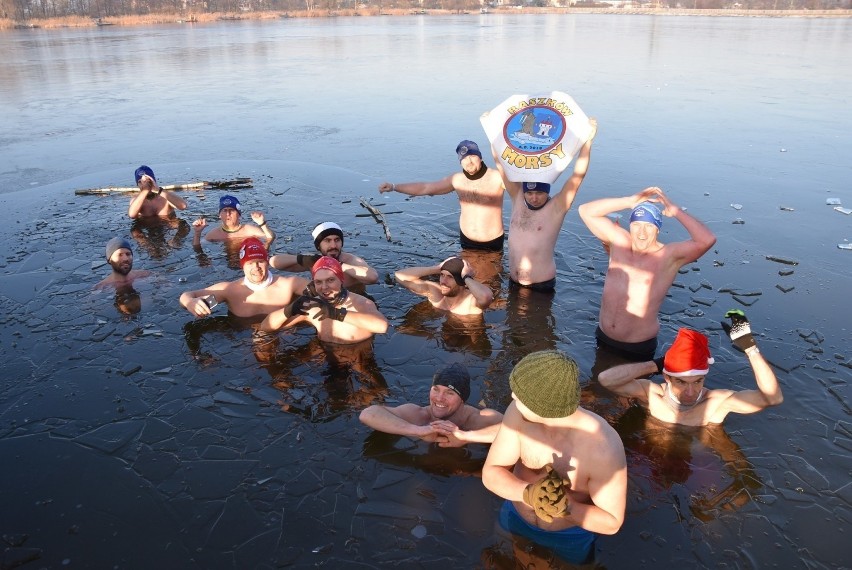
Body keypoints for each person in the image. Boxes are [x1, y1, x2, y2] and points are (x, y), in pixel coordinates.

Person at [482, 350, 627, 564]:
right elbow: (491, 472)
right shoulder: (519, 413)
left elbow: (611, 522)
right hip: (515, 517)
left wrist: (565, 507)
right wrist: (528, 494)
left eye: (520, 396)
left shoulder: (603, 448)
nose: (513, 397)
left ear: (543, 408)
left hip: (568, 537)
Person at [578, 186, 716, 361]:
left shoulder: (668, 256)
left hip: (637, 348)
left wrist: (675, 211)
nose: (641, 233)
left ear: (657, 229)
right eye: (637, 225)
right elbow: (585, 211)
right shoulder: (618, 242)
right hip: (603, 337)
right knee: (596, 383)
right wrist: (629, 201)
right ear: (630, 226)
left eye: (648, 227)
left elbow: (707, 240)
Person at [597, 311, 784, 426]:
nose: (690, 392)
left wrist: (750, 348)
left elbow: (773, 398)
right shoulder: (651, 394)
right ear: (667, 378)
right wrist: (656, 364)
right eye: (681, 382)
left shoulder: (716, 404)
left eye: (697, 382)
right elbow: (606, 380)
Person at [495, 119, 597, 292]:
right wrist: (494, 133)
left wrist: (587, 142)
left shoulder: (557, 207)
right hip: (513, 282)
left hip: (540, 287)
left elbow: (577, 176)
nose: (534, 198)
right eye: (530, 193)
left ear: (547, 192)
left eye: (540, 193)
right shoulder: (518, 198)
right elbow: (501, 165)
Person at [378, 140, 507, 251]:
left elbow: (523, 191)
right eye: (464, 158)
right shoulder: (457, 180)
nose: (469, 161)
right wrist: (394, 187)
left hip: (492, 242)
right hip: (466, 240)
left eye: (472, 156)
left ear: (480, 157)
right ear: (460, 162)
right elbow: (426, 188)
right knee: (464, 278)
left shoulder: (498, 177)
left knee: (489, 279)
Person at [359, 363, 503, 447]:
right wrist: (417, 431)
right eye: (436, 389)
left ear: (462, 399)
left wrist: (466, 437)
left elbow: (519, 431)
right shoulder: (419, 415)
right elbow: (368, 414)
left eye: (449, 393)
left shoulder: (476, 419)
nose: (439, 398)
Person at [261, 256, 388, 344]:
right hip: (326, 356)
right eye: (318, 282)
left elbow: (382, 326)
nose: (324, 287)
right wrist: (290, 309)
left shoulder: (360, 303)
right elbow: (266, 327)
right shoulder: (313, 307)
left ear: (341, 280)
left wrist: (334, 313)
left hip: (360, 356)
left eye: (330, 280)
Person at [179, 237, 307, 319]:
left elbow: (322, 290)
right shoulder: (230, 291)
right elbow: (188, 295)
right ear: (242, 266)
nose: (256, 267)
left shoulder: (288, 285)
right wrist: (190, 303)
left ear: (267, 262)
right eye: (250, 263)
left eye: (260, 261)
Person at [270, 221, 378, 287]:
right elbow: (274, 262)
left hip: (354, 300)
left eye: (337, 240)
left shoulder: (351, 261)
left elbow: (373, 277)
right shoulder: (314, 261)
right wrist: (301, 259)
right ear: (318, 246)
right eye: (327, 240)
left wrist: (338, 265)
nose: (333, 245)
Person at [394, 256, 493, 316]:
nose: (443, 282)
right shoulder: (434, 291)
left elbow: (486, 297)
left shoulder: (471, 302)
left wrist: (466, 277)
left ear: (462, 282)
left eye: (450, 277)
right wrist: (437, 268)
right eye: (442, 275)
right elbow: (399, 276)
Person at [192, 195, 275, 245]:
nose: (228, 214)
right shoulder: (214, 234)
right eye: (224, 210)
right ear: (219, 215)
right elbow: (197, 247)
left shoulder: (249, 230)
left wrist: (262, 224)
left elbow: (270, 238)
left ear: (239, 214)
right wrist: (197, 233)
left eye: (231, 210)